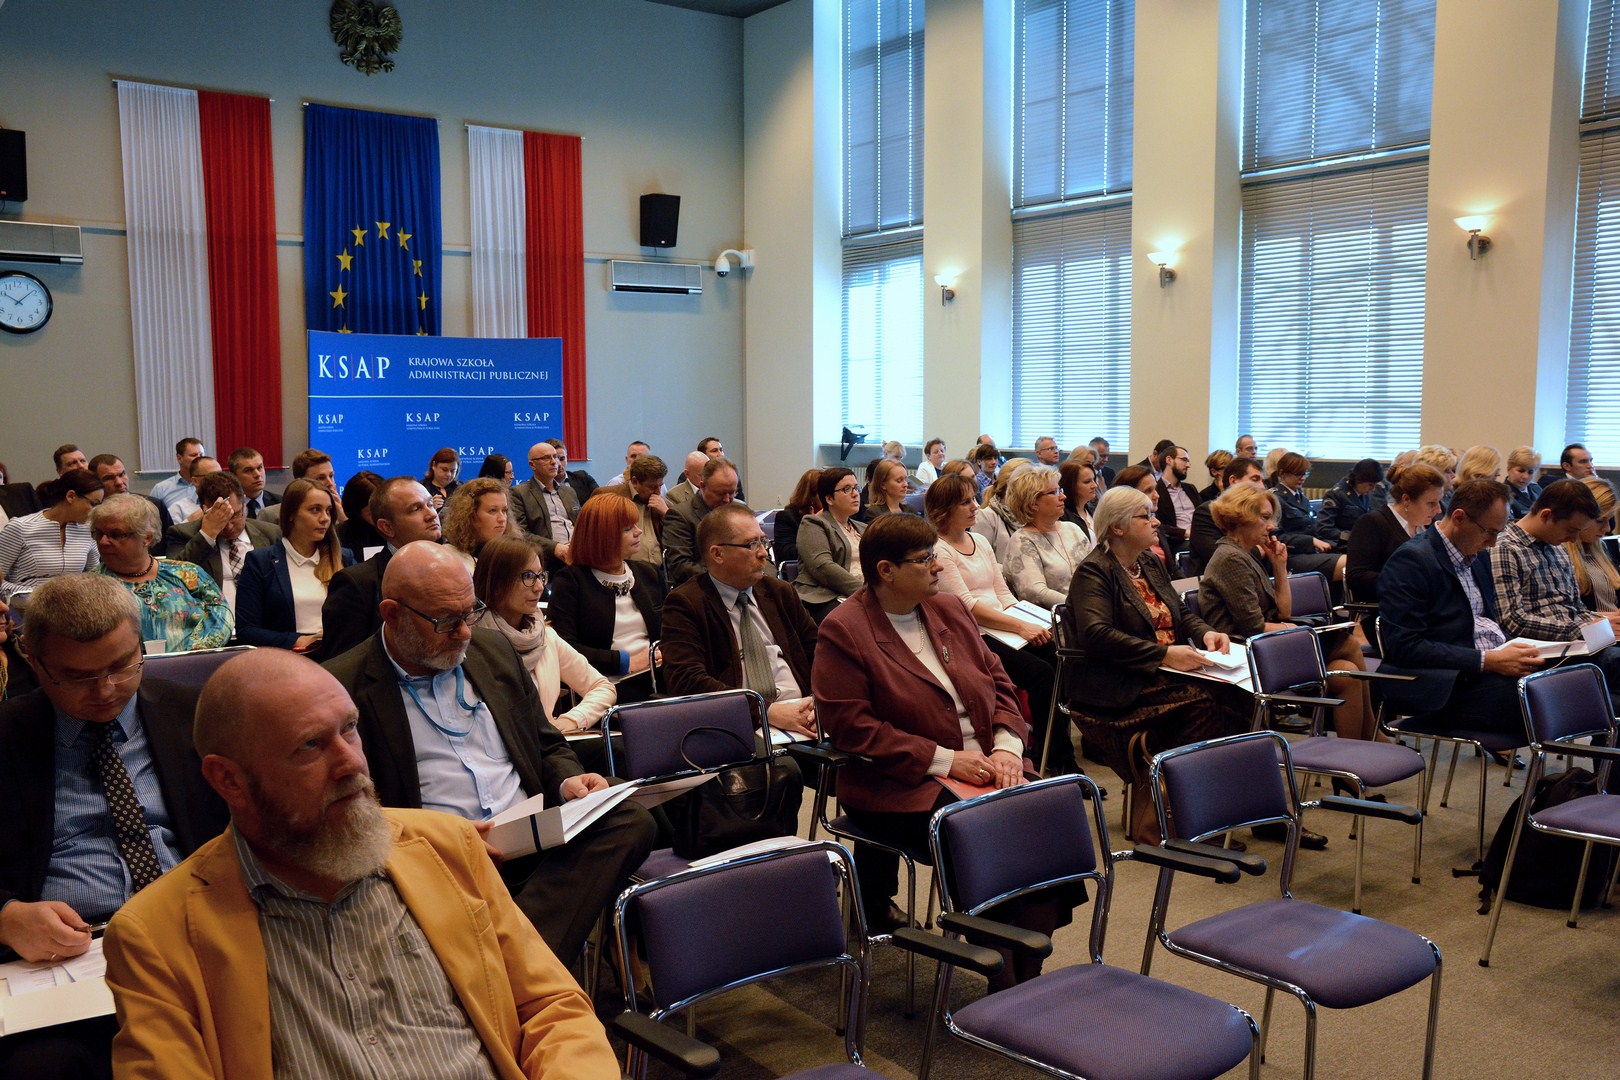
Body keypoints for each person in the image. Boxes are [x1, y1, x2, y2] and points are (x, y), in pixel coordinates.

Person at [104, 648, 620, 1079]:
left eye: (349, 728)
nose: (351, 762)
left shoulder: (446, 847)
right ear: (229, 780)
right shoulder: (157, 936)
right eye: (310, 745)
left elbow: (552, 1008)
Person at [323, 541, 656, 963]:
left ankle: (514, 957)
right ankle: (530, 960)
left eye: (470, 612)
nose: (464, 632)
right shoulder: (341, 689)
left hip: (533, 837)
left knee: (630, 818)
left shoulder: (492, 651)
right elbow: (347, 814)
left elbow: (545, 743)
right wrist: (438, 839)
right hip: (441, 858)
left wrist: (567, 779)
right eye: (447, 621)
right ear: (392, 614)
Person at [0, 574, 226, 1079]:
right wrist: (6, 917)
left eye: (122, 666)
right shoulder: (8, 739)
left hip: (196, 936)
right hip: (65, 964)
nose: (105, 691)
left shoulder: (199, 715)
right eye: (77, 677)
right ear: (33, 661)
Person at [1063, 486, 1249, 844]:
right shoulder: (1095, 572)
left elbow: (1179, 611)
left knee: (1242, 696)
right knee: (1205, 704)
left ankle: (1236, 807)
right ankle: (1188, 816)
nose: (1156, 521)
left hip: (1164, 672)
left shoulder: (1148, 562)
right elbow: (1096, 635)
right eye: (1145, 515)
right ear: (1117, 527)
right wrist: (1163, 655)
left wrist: (1206, 632)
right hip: (1118, 684)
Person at [1202, 483, 1376, 749]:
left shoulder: (1245, 555)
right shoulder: (1230, 558)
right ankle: (1371, 738)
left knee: (1347, 673)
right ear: (1242, 517)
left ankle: (1358, 751)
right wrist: (1295, 631)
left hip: (1266, 644)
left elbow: (1284, 611)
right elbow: (1253, 627)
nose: (1271, 526)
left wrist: (1279, 566)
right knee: (1348, 643)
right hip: (1247, 653)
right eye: (1264, 517)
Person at [928, 473, 1070, 776]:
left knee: (1058, 656)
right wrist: (1019, 627)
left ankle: (1057, 750)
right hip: (972, 633)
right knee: (1040, 673)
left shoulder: (979, 541)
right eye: (965, 502)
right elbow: (967, 607)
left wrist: (1031, 621)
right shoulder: (940, 549)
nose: (975, 507)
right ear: (944, 509)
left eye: (974, 499)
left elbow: (1003, 594)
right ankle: (1053, 757)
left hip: (1000, 625)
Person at [1377, 479, 1544, 732]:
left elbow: (1486, 622)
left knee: (1574, 674)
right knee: (1542, 696)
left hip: (1486, 670)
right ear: (1459, 518)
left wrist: (1520, 653)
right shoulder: (1411, 561)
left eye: (1498, 533)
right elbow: (1405, 647)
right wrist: (1487, 661)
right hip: (1443, 682)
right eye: (1489, 532)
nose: (1493, 543)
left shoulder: (1478, 556)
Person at [660, 503, 818, 739]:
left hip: (804, 711)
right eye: (751, 544)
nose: (764, 553)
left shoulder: (779, 592)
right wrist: (766, 711)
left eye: (763, 541)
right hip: (738, 723)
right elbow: (686, 681)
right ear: (717, 554)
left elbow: (819, 652)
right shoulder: (686, 603)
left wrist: (817, 702)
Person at [474, 535, 615, 772]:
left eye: (540, 576)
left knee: (621, 753)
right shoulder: (472, 641)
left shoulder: (545, 636)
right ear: (497, 581)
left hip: (547, 753)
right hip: (499, 760)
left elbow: (602, 687)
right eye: (528, 576)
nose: (539, 587)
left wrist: (571, 720)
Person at [1489, 480, 1620, 687]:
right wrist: (1584, 629)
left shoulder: (1558, 547)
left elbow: (1576, 608)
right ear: (1546, 516)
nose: (1574, 538)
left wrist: (1602, 625)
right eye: (1570, 529)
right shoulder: (1505, 548)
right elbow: (1513, 620)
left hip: (1579, 644)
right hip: (1547, 651)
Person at [548, 492, 665, 705]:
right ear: (603, 536)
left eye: (635, 525)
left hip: (658, 675)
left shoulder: (648, 573)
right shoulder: (570, 582)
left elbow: (670, 628)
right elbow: (566, 648)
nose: (638, 532)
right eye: (628, 529)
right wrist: (624, 661)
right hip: (606, 686)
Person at [321, 476, 446, 659]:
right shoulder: (356, 585)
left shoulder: (454, 568)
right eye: (416, 509)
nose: (432, 514)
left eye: (430, 504)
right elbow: (341, 662)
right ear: (387, 527)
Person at [90, 495, 232, 653]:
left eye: (116, 534)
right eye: (98, 533)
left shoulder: (187, 573)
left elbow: (221, 614)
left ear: (146, 538)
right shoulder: (90, 587)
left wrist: (189, 654)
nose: (103, 542)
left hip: (193, 662)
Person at [236, 478, 352, 657]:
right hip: (289, 659)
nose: (325, 518)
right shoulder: (261, 562)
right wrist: (298, 640)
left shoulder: (343, 557)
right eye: (315, 510)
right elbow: (247, 630)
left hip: (340, 656)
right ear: (291, 514)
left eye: (329, 511)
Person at [165, 471, 282, 612]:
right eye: (221, 517)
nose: (229, 526)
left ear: (244, 502)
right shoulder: (182, 534)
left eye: (235, 515)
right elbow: (173, 579)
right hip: (212, 619)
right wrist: (207, 535)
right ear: (204, 510)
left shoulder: (271, 534)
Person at [1345, 462, 1445, 610]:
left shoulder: (1429, 526)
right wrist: (1410, 581)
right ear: (1406, 500)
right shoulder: (1372, 523)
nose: (1438, 510)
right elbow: (1356, 578)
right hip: (1390, 609)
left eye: (1439, 502)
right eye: (1431, 503)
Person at [0, 468, 103, 603]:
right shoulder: (21, 528)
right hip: (27, 607)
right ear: (71, 496)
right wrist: (34, 593)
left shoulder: (87, 531)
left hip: (74, 606)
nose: (96, 511)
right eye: (93, 504)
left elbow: (94, 578)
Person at [1004, 465, 1092, 611]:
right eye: (1054, 492)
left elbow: (1097, 574)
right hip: (1056, 618)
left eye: (1060, 490)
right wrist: (1083, 606)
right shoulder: (1022, 540)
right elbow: (1035, 592)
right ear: (1033, 503)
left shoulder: (1073, 529)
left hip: (1090, 611)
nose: (1063, 496)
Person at [795, 466, 866, 622]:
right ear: (829, 499)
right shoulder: (813, 524)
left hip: (862, 594)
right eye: (846, 489)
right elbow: (822, 566)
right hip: (824, 596)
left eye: (856, 487)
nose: (855, 494)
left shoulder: (863, 528)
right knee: (861, 619)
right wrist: (863, 591)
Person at [663, 457, 746, 587]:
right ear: (702, 486)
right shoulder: (681, 516)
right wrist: (727, 577)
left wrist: (764, 576)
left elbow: (761, 551)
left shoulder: (740, 510)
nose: (727, 499)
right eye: (720, 493)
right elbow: (680, 566)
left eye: (732, 493)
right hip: (702, 588)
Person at [1270, 451, 1346, 581]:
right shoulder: (1275, 499)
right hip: (1291, 556)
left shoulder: (1301, 497)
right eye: (1298, 474)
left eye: (1305, 473)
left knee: (1357, 558)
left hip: (1309, 552)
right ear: (1282, 473)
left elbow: (1313, 528)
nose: (1303, 478)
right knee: (1347, 564)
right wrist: (1310, 541)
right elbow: (1275, 537)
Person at [1189, 456, 1265, 576]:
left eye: (1262, 481)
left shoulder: (1259, 513)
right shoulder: (1207, 513)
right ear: (1234, 481)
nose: (1262, 487)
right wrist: (1258, 551)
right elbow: (1220, 557)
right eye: (1255, 479)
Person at [509, 441, 579, 569]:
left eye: (555, 457)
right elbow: (521, 533)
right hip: (548, 558)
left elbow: (580, 524)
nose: (554, 462)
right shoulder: (519, 493)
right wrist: (555, 548)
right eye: (547, 458)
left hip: (577, 554)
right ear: (532, 465)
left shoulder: (569, 491)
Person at [88, 453, 173, 558]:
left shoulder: (154, 505)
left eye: (122, 474)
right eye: (109, 478)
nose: (119, 482)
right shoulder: (91, 511)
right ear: (95, 482)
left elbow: (171, 544)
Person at [595, 452, 669, 566]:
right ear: (634, 482)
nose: (658, 492)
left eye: (660, 485)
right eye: (652, 487)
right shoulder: (606, 497)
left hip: (658, 572)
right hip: (621, 569)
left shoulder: (663, 505)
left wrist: (666, 515)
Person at [1568, 475, 1620, 612]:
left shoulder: (1600, 547)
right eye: (1600, 521)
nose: (1607, 529)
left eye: (1609, 520)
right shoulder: (1559, 555)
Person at [1314, 458, 1388, 551]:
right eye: (1370, 485)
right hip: (1339, 543)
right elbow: (1323, 528)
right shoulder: (1336, 495)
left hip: (1359, 541)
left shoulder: (1364, 493)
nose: (1373, 490)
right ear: (1359, 480)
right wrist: (1353, 536)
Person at [442, 475, 511, 573]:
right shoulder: (450, 558)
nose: (502, 519)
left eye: (504, 511)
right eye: (492, 510)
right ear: (469, 514)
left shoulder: (511, 555)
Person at [973, 458, 1031, 561]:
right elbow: (982, 561)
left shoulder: (1033, 515)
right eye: (1028, 482)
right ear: (1010, 484)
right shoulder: (986, 516)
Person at [1154, 445, 1200, 552]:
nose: (1188, 465)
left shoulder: (1190, 489)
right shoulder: (1156, 491)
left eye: (1188, 461)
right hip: (1178, 542)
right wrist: (1185, 533)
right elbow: (1158, 524)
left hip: (1199, 537)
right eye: (1184, 460)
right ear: (1169, 460)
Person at [775, 468, 822, 567]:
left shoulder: (836, 516)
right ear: (810, 496)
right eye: (824, 493)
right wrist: (812, 528)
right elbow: (787, 554)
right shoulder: (786, 517)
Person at [148, 437, 204, 519]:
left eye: (201, 455)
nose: (199, 459)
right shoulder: (161, 489)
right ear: (179, 458)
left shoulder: (210, 486)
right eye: (193, 455)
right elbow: (151, 520)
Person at [858, 457, 916, 523]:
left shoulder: (911, 510)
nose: (906, 484)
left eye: (905, 479)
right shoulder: (874, 513)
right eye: (899, 481)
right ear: (883, 485)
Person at [226, 447, 278, 520]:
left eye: (259, 467)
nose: (257, 474)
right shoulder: (226, 506)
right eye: (248, 470)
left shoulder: (280, 503)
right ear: (233, 476)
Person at [549, 438, 599, 507]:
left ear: (567, 458)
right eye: (555, 460)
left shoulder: (582, 478)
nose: (559, 464)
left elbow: (601, 498)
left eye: (562, 459)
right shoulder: (542, 486)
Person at [1058, 457, 1098, 541]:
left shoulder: (1094, 510)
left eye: (1094, 479)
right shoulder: (1061, 516)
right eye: (1087, 482)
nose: (1094, 485)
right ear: (1070, 485)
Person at [1505, 445, 1544, 518]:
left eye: (1530, 472)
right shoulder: (1503, 494)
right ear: (1509, 469)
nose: (1525, 476)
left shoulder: (1536, 489)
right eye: (1521, 471)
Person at [421, 445, 460, 511]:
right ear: (434, 465)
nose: (449, 474)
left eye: (452, 471)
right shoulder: (421, 489)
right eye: (444, 470)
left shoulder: (462, 489)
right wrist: (430, 508)